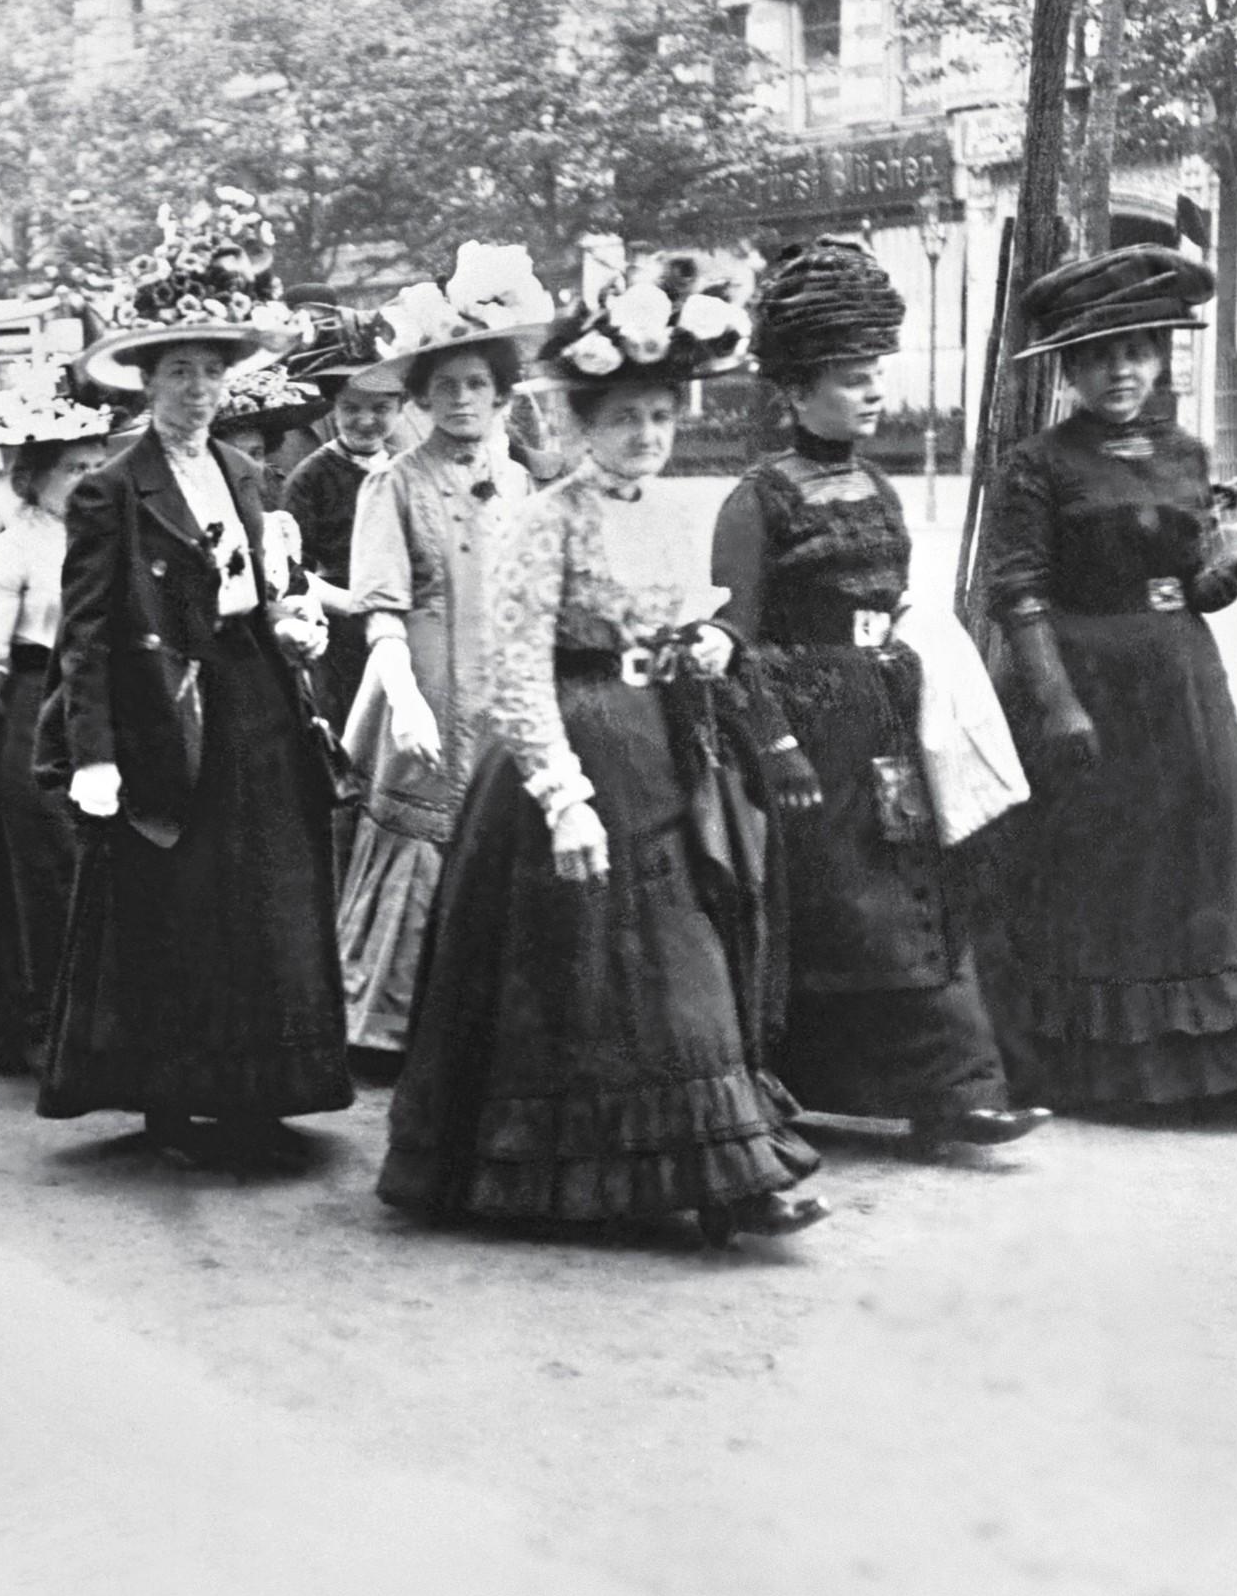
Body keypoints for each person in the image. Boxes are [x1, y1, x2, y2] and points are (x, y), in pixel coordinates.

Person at [381, 279, 827, 1247]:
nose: (647, 434)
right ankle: (654, 1176)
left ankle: (725, 1168)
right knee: (600, 970)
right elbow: (513, 667)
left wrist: (700, 647)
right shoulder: (547, 517)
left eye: (662, 415)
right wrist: (561, 794)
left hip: (661, 741)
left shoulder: (668, 509)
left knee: (684, 952)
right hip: (578, 750)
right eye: (624, 417)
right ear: (583, 422)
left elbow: (674, 620)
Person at [977, 246, 1237, 1112]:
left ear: (1160, 358)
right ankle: (1107, 1069)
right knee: (1106, 877)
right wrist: (1056, 702)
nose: (1121, 372)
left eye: (1138, 352)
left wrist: (1229, 562)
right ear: (1069, 366)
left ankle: (1232, 1059)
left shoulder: (1186, 453)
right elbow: (1019, 592)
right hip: (1087, 686)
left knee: (1206, 867)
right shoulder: (1039, 464)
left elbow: (1198, 588)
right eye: (1101, 356)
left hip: (1182, 684)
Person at [37, 206, 350, 1171]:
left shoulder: (247, 471)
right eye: (179, 372)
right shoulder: (111, 488)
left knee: (267, 902)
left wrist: (294, 624)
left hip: (255, 703)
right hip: (164, 715)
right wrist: (93, 754)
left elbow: (263, 589)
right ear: (146, 378)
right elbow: (84, 635)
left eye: (213, 371)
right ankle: (173, 1094)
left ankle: (262, 1087)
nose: (199, 389)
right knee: (180, 907)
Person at [714, 240, 1045, 1146]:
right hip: (810, 734)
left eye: (874, 377)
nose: (872, 393)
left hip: (889, 723)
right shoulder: (759, 499)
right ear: (796, 393)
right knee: (843, 912)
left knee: (918, 895)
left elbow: (894, 599)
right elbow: (733, 640)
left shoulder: (879, 485)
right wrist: (775, 745)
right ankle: (809, 1085)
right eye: (853, 379)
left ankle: (955, 1090)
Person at [334, 245, 554, 1055]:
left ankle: (497, 1015)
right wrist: (406, 697)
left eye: (478, 385)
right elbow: (380, 611)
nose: (463, 400)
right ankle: (390, 1018)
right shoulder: (391, 482)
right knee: (420, 839)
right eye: (447, 386)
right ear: (421, 397)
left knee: (503, 830)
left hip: (504, 684)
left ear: (501, 396)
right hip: (422, 676)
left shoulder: (522, 482)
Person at [0, 376, 119, 1073]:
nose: (89, 480)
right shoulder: (7, 555)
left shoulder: (111, 541)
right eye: (74, 468)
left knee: (94, 868)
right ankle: (56, 1026)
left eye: (98, 465)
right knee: (49, 874)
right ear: (34, 476)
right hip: (28, 718)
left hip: (102, 711)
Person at [278, 359, 403, 731]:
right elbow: (291, 572)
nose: (365, 420)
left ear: (401, 406)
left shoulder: (407, 470)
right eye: (351, 408)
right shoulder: (310, 478)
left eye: (380, 408)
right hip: (343, 637)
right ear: (334, 409)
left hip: (410, 627)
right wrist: (355, 605)